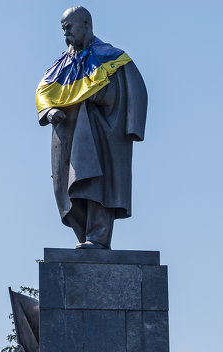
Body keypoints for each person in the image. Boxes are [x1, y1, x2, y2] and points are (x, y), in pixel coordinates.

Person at [36, 6, 147, 249]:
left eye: (70, 27)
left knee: (96, 185)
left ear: (86, 24)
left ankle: (97, 238)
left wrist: (128, 123)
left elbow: (135, 92)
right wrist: (48, 110)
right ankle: (84, 238)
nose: (66, 33)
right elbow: (43, 91)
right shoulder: (60, 65)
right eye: (63, 29)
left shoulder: (112, 57)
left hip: (102, 133)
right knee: (66, 190)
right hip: (67, 135)